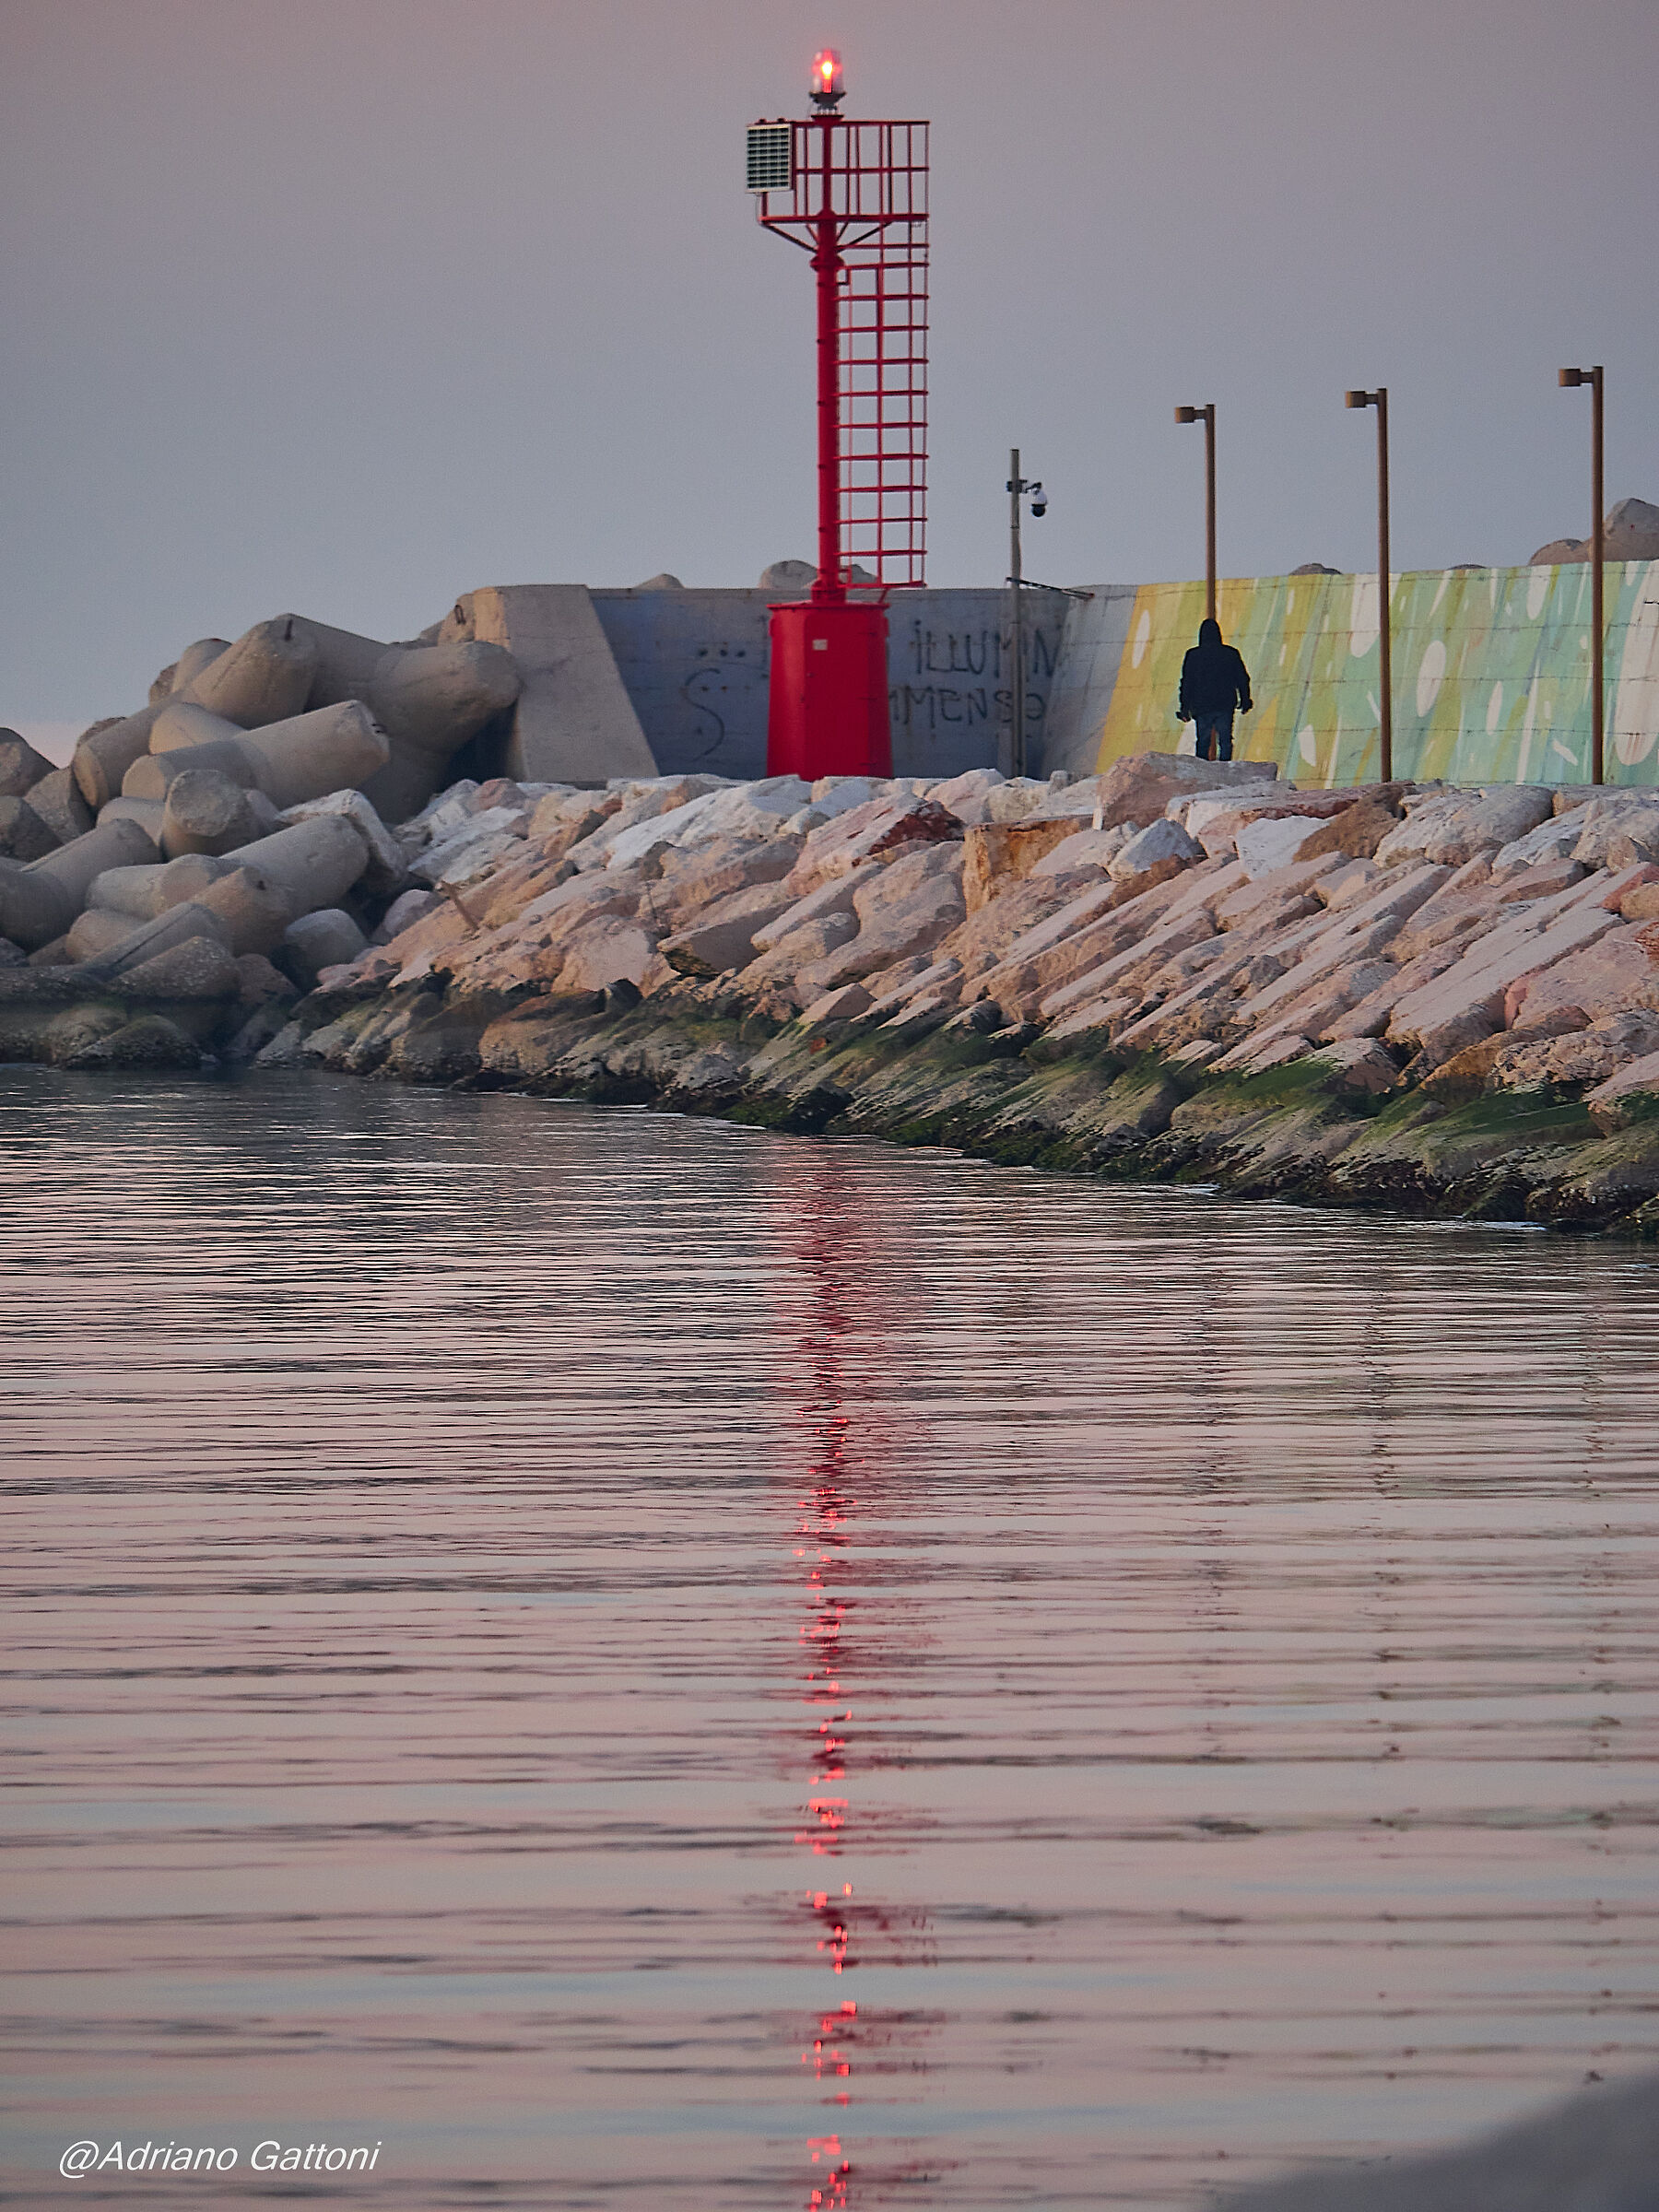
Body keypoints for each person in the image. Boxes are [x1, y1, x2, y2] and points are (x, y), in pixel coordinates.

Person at [1178, 617, 1253, 762]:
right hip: (1224, 704)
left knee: (1202, 742)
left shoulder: (1193, 656)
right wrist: (1245, 700)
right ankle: (1225, 771)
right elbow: (1242, 679)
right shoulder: (1230, 654)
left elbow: (1187, 683)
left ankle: (1203, 773)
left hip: (1201, 706)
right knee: (1225, 741)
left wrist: (1185, 708)